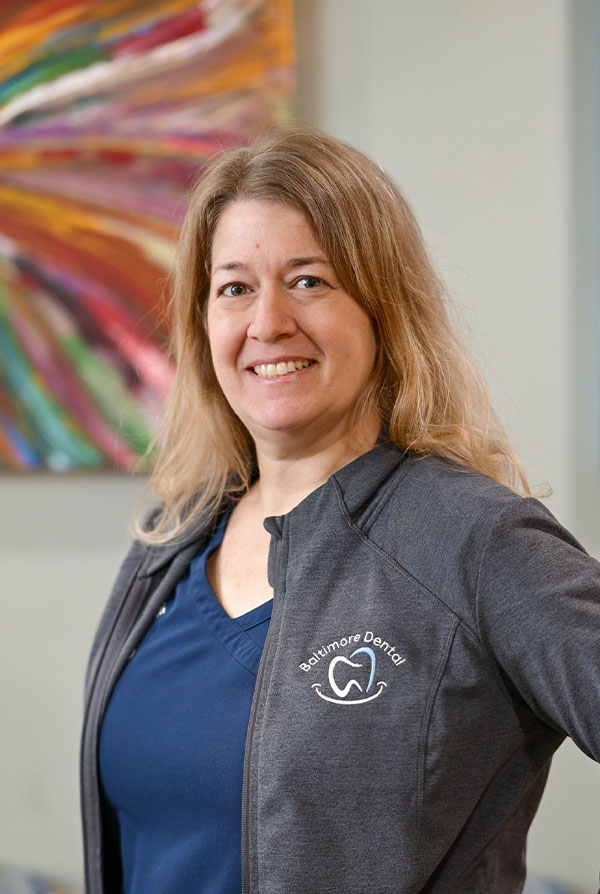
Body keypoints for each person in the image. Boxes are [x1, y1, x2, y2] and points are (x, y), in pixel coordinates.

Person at [80, 124, 600, 894]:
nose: (267, 324)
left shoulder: (471, 541)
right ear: (202, 322)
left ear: (382, 307)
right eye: (234, 288)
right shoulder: (173, 541)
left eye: (309, 281)